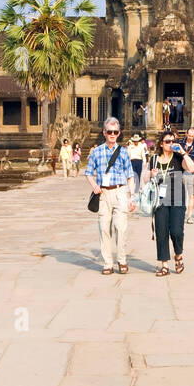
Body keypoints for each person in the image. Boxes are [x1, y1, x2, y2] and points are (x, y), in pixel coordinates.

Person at [84, 117, 136, 275]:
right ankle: (108, 262)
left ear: (119, 133)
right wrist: (94, 186)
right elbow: (88, 173)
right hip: (103, 194)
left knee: (121, 228)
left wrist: (132, 197)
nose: (112, 134)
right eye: (109, 132)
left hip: (120, 191)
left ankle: (121, 259)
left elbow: (130, 176)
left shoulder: (123, 152)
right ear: (104, 132)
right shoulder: (97, 152)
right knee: (104, 228)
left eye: (115, 132)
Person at [147, 132, 194, 276]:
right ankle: (164, 265)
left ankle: (178, 255)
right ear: (161, 144)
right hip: (160, 200)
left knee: (176, 231)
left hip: (177, 198)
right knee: (161, 231)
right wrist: (151, 174)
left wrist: (182, 151)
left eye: (172, 141)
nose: (170, 143)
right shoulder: (155, 159)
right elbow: (145, 178)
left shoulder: (178, 158)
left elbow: (192, 169)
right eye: (167, 141)